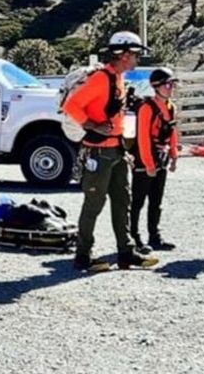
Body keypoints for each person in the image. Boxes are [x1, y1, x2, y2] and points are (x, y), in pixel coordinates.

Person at [61, 32, 158, 272]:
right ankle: (83, 256)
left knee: (122, 201)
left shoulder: (117, 79)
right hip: (98, 152)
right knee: (94, 203)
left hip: (116, 149)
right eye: (135, 54)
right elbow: (71, 105)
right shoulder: (101, 79)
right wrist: (91, 125)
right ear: (123, 55)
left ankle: (125, 253)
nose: (137, 59)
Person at [131, 67, 180, 255]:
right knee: (138, 200)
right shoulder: (146, 108)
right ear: (156, 86)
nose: (171, 88)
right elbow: (143, 138)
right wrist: (149, 164)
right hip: (145, 158)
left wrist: (174, 155)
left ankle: (154, 236)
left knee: (156, 200)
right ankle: (133, 237)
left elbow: (172, 131)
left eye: (172, 84)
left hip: (162, 157)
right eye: (168, 84)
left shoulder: (170, 107)